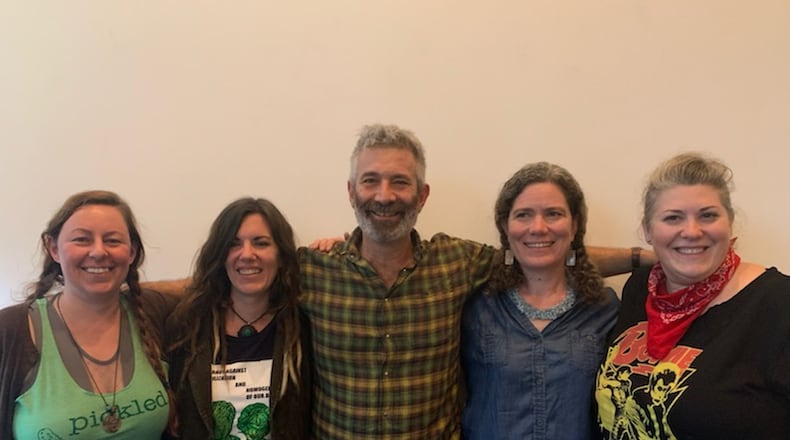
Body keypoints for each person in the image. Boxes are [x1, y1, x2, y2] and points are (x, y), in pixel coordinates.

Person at [149, 124, 650, 439]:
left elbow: (543, 250)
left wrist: (654, 257)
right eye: (370, 181)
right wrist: (132, 293)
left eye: (399, 182)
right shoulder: (313, 269)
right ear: (351, 191)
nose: (384, 195)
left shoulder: (459, 263)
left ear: (422, 194)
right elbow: (237, 271)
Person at [594, 153, 790, 439]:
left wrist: (676, 252)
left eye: (708, 215)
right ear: (648, 231)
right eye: (673, 218)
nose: (691, 231)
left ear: (730, 223)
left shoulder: (777, 302)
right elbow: (542, 256)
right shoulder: (641, 288)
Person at [461, 162, 619, 440]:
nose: (538, 227)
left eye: (553, 214)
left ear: (575, 225)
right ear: (504, 226)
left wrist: (658, 256)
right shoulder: (476, 305)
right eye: (523, 215)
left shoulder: (605, 308)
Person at [0, 190, 177, 439]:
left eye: (113, 240)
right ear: (53, 248)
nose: (98, 251)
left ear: (132, 252)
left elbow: (208, 292)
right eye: (82, 239)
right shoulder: (11, 331)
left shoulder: (155, 312)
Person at [167, 197, 312, 439]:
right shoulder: (188, 324)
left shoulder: (304, 326)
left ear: (281, 254)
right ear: (220, 255)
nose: (247, 254)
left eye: (261, 243)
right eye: (234, 244)